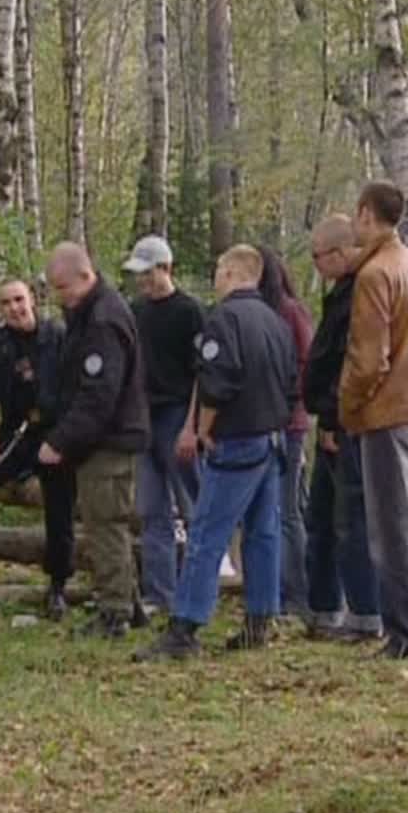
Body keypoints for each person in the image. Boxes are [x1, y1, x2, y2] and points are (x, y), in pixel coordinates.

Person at [135, 244, 298, 661]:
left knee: (206, 532)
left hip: (237, 438)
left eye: (219, 270)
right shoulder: (275, 320)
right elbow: (292, 381)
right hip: (271, 437)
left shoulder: (224, 319)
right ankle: (260, 618)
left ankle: (185, 627)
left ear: (230, 273)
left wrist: (202, 429)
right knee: (262, 532)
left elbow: (217, 381)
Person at [339, 181, 408, 659]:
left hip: (387, 411)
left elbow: (368, 361)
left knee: (392, 527)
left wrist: (348, 407)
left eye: (356, 214)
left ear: (366, 213)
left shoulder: (375, 274)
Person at [39, 242, 150, 639]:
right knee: (107, 522)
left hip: (108, 439)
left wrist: (61, 440)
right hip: (104, 437)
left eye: (63, 287)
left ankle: (114, 611)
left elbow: (98, 394)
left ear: (85, 276)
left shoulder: (103, 320)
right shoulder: (90, 313)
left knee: (105, 525)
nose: (60, 297)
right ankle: (130, 602)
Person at [301, 215, 383, 641]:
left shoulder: (362, 291)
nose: (316, 265)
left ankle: (365, 612)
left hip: (349, 421)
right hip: (332, 417)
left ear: (339, 252)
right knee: (322, 518)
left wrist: (336, 416)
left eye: (318, 257)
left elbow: (354, 362)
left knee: (351, 519)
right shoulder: (340, 294)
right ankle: (324, 606)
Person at [0, 278, 76, 620]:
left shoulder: (58, 336)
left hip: (55, 434)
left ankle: (58, 585)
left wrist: (66, 438)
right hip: (15, 435)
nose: (14, 308)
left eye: (19, 300)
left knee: (60, 509)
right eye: (6, 303)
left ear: (32, 299)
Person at [122, 235, 204, 614]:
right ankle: (160, 592)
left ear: (165, 269)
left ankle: (199, 588)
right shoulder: (136, 312)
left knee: (193, 506)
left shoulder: (190, 312)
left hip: (177, 413)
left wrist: (192, 426)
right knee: (152, 509)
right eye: (139, 274)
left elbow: (201, 375)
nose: (143, 281)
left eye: (148, 273)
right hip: (145, 417)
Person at [257, 246, 314, 619]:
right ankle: (272, 588)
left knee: (288, 509)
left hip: (289, 423)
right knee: (269, 509)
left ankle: (297, 591)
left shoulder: (291, 312)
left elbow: (306, 362)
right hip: (261, 422)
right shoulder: (257, 313)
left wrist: (291, 402)